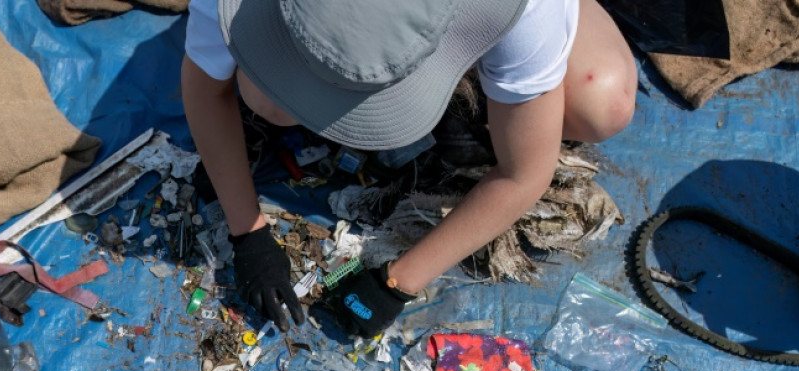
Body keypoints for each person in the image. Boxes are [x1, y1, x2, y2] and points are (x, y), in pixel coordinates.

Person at [182, 0, 637, 337]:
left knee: (602, 107)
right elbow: (205, 90)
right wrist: (248, 232)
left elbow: (524, 174)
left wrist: (398, 281)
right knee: (267, 100)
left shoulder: (529, 9)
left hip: (488, 20)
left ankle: (489, 81)